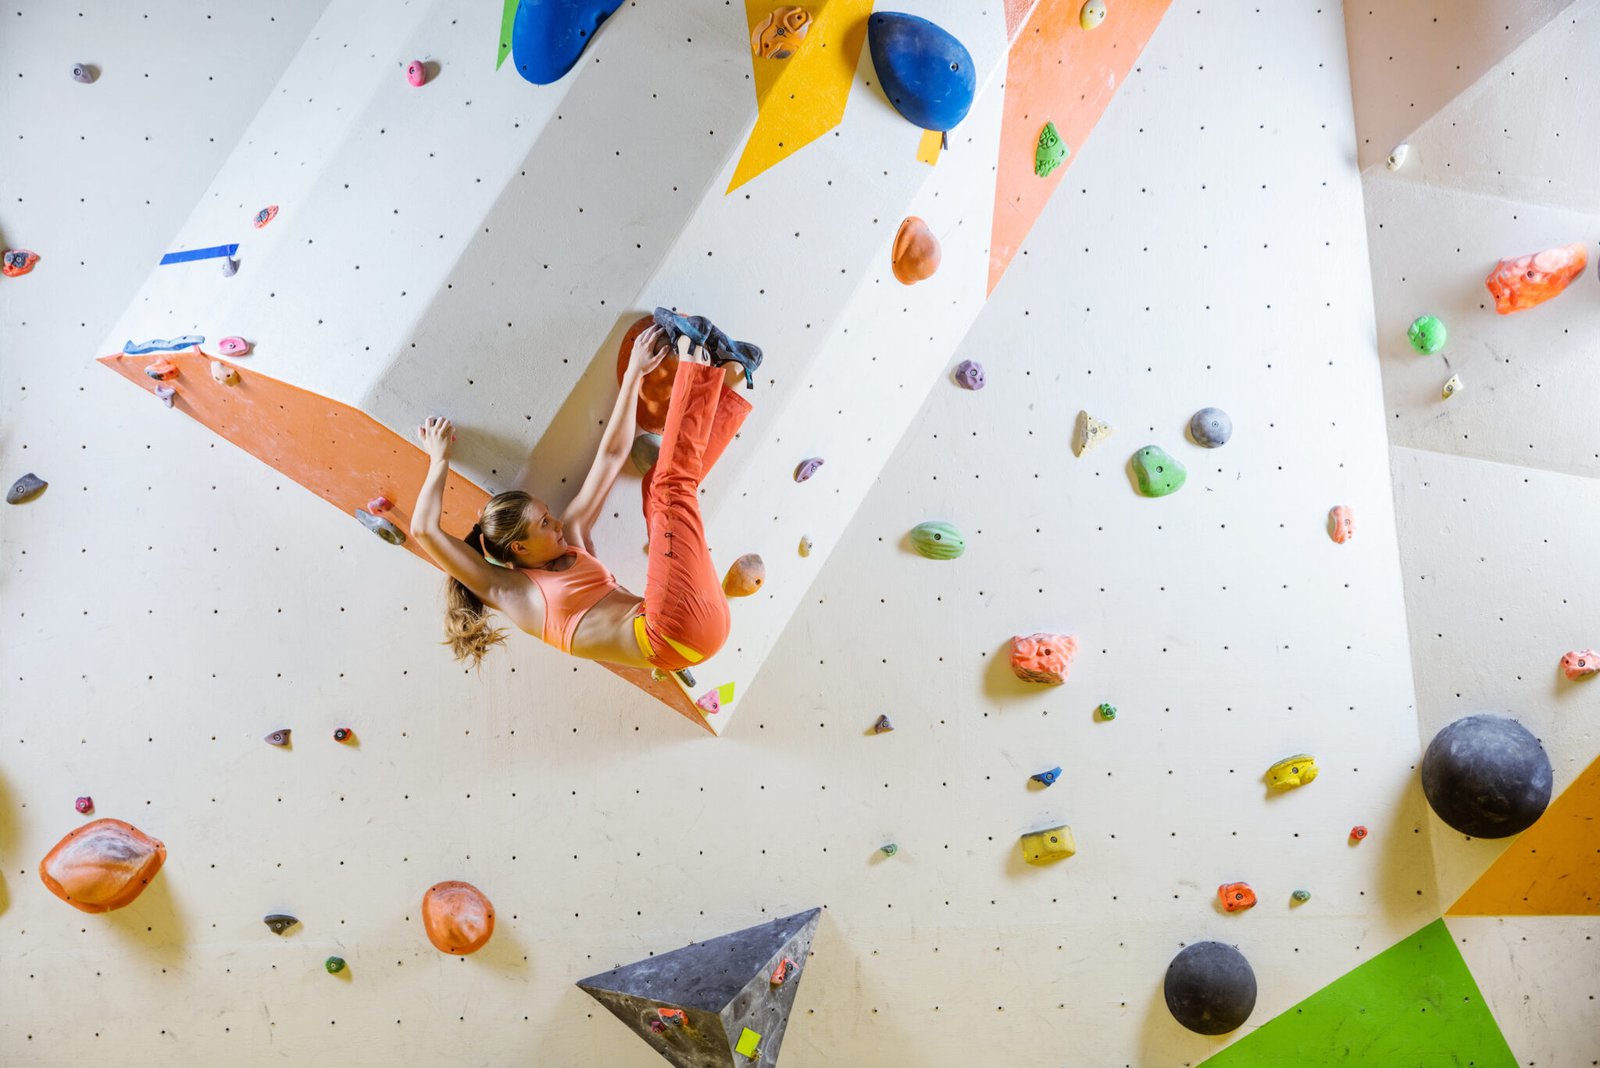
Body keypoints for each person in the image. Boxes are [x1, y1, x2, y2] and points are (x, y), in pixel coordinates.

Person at [410, 322, 757, 673]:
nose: (557, 522)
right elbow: (424, 530)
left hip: (701, 628)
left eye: (548, 515)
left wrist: (635, 374)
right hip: (670, 633)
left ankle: (733, 371)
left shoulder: (574, 540)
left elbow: (611, 456)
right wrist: (438, 459)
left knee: (655, 487)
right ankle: (697, 356)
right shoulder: (511, 592)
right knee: (670, 489)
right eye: (544, 523)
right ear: (520, 548)